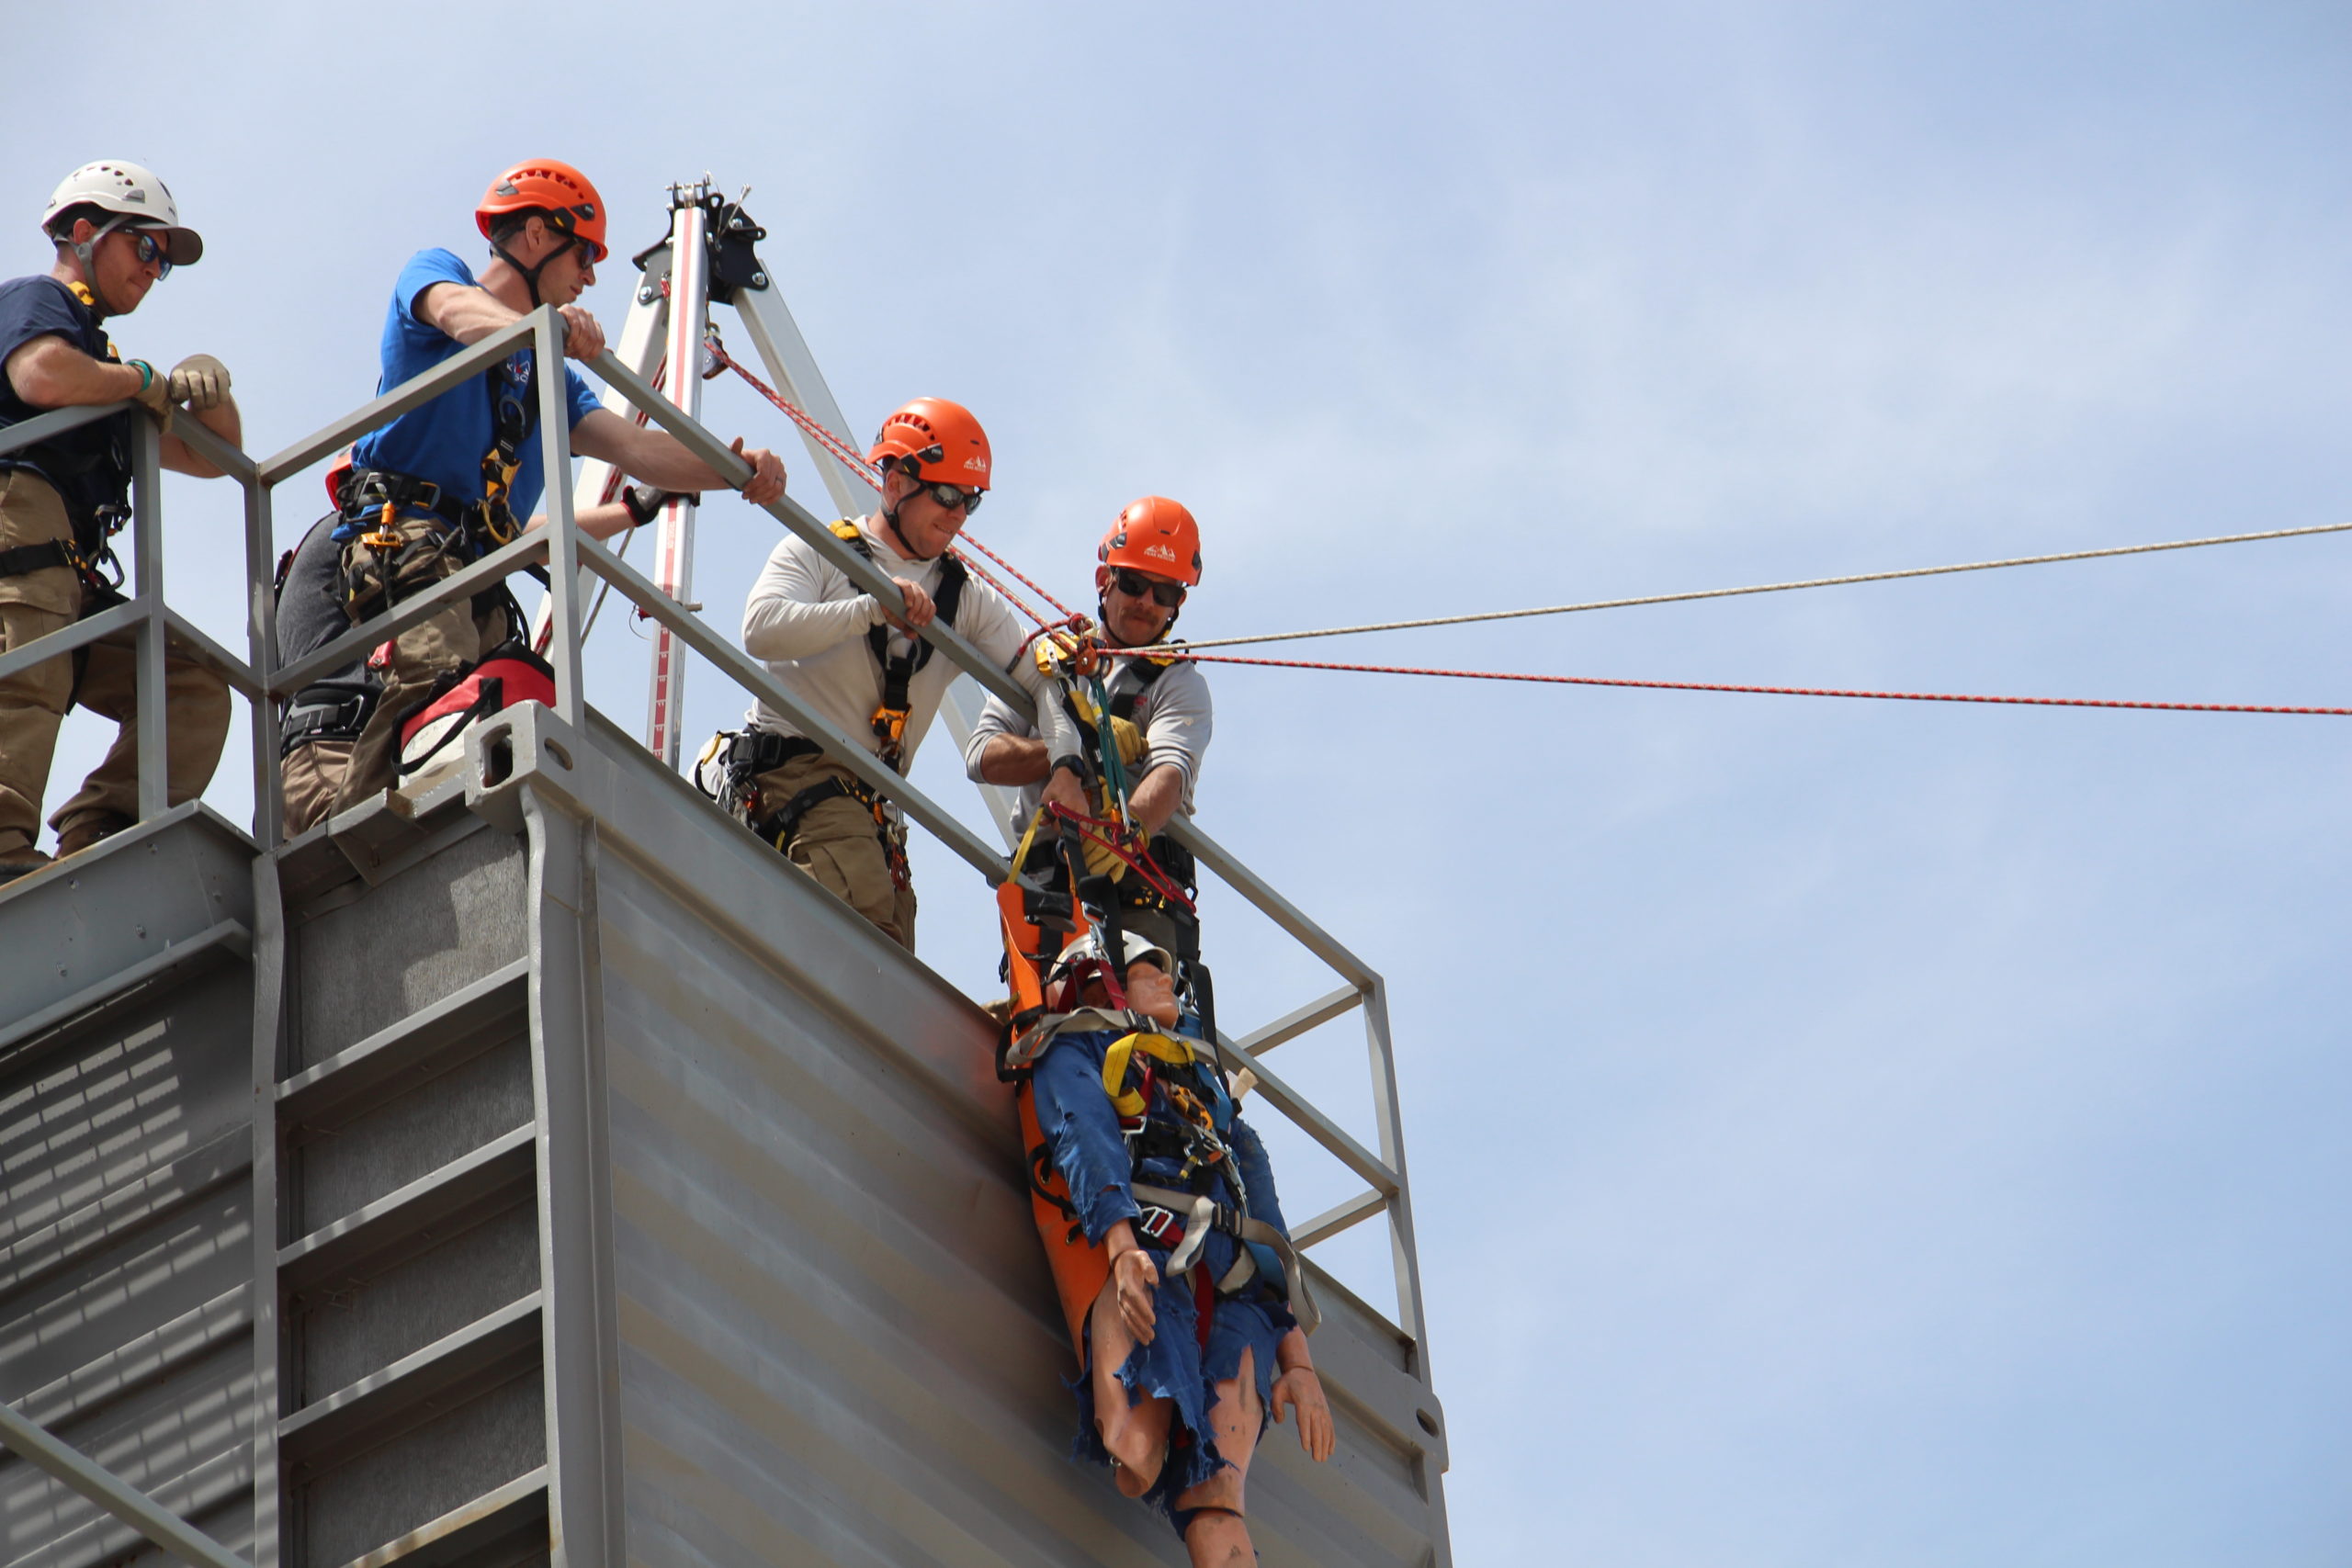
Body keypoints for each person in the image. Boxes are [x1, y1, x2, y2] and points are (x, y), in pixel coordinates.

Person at [275, 160, 786, 834]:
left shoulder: (549, 377)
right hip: (411, 541)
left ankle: (429, 829)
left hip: (472, 571)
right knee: (439, 689)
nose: (592, 276)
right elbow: (459, 314)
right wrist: (550, 334)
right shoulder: (438, 274)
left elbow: (636, 448)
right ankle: (363, 830)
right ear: (540, 236)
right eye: (585, 254)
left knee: (491, 698)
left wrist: (733, 467)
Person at [1001, 921, 1333, 1564]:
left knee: (1218, 1504)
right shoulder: (1078, 1047)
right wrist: (1122, 1250)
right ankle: (1151, 1427)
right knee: (1135, 1445)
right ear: (1111, 981)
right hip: (1153, 1260)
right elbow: (1084, 1138)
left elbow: (1269, 1230)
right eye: (1145, 966)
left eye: (1165, 967)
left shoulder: (1216, 1101)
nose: (1163, 975)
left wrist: (1300, 1364)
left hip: (1235, 1286)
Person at [715, 397, 1080, 950]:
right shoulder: (816, 552)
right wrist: (870, 608)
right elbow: (761, 628)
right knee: (863, 945)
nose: (957, 515)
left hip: (874, 808)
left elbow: (1043, 677)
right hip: (799, 769)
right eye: (947, 494)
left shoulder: (965, 598)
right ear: (895, 484)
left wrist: (1067, 763)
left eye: (970, 502)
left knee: (891, 951)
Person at [0, 161, 242, 885]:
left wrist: (209, 385)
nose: (153, 269)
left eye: (163, 262)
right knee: (27, 682)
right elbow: (39, 375)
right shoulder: (39, 300)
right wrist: (144, 381)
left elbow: (216, 459)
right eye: (145, 247)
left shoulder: (100, 361)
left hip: (66, 560)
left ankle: (104, 829)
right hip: (22, 523)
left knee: (187, 682)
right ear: (83, 232)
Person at [967, 496, 1209, 967]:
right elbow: (982, 756)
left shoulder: (1179, 683)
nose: (1146, 603)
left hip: (1140, 895)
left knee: (1134, 1031)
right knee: (1054, 1031)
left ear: (1179, 603)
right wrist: (1064, 750)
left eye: (1165, 594)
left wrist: (1127, 833)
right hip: (1049, 895)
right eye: (1135, 583)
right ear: (1105, 580)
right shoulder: (1048, 661)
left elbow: (1170, 775)